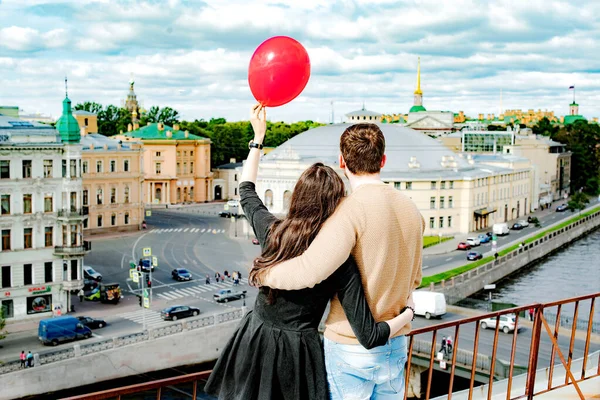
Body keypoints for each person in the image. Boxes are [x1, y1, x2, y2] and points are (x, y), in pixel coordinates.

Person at [204, 105, 416, 400]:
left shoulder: (273, 233)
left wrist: (258, 138)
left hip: (254, 340)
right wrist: (408, 313)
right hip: (299, 352)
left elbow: (246, 190)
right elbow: (369, 332)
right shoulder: (340, 256)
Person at [255, 123, 424, 399]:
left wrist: (262, 275)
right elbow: (415, 278)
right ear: (382, 160)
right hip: (395, 342)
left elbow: (309, 271)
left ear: (342, 161)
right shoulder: (411, 209)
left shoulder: (347, 211)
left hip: (350, 346)